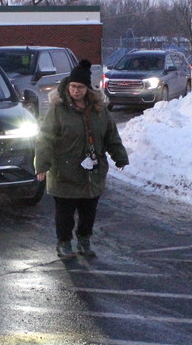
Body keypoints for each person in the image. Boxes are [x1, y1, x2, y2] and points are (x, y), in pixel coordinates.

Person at [35, 59, 129, 259]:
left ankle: (84, 240)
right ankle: (64, 243)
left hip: (91, 172)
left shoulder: (99, 110)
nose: (75, 91)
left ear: (87, 89)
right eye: (72, 86)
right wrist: (42, 165)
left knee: (88, 211)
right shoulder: (58, 109)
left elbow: (111, 135)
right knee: (65, 213)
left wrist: (119, 156)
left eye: (80, 87)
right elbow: (45, 138)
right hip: (64, 171)